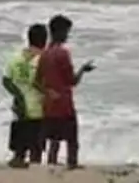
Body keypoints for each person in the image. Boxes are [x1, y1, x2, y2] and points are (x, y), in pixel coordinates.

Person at [36, 14, 95, 169]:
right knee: (72, 140)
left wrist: (48, 92)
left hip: (49, 106)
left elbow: (36, 81)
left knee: (54, 140)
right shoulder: (63, 54)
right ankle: (72, 164)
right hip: (64, 104)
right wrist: (83, 69)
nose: (67, 35)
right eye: (67, 31)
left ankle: (51, 164)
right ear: (60, 31)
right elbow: (72, 81)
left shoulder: (44, 54)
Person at [2, 24, 48, 168]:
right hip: (38, 110)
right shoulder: (43, 60)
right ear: (45, 40)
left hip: (19, 110)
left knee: (19, 149)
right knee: (36, 150)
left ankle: (18, 164)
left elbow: (6, 81)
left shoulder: (16, 58)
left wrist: (19, 95)